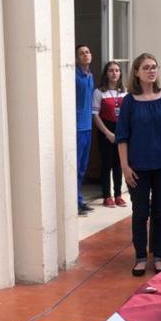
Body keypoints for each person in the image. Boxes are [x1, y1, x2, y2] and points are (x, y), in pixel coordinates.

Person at [116, 53, 161, 276]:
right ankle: (141, 257)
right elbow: (122, 137)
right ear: (137, 72)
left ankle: (159, 256)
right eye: (146, 67)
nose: (151, 71)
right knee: (140, 213)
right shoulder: (129, 102)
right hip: (137, 168)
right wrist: (125, 167)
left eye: (154, 67)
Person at [92, 61, 128, 208]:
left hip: (121, 131)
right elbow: (95, 115)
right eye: (111, 70)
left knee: (118, 164)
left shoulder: (124, 91)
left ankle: (118, 194)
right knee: (106, 164)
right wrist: (107, 133)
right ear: (106, 74)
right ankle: (107, 196)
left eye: (117, 70)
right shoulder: (99, 92)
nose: (114, 73)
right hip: (106, 130)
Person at [75, 44, 95, 216]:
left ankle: (79, 199)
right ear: (76, 58)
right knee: (75, 166)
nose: (85, 55)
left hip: (88, 126)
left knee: (83, 166)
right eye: (81, 53)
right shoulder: (73, 75)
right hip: (77, 127)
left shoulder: (90, 75)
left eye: (87, 52)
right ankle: (74, 201)